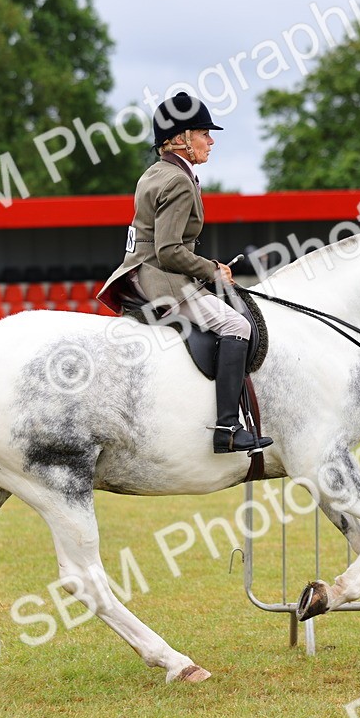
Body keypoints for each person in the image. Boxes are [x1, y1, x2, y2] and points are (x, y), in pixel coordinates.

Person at [97, 92, 272, 455]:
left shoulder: (156, 173)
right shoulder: (177, 181)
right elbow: (169, 250)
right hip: (159, 279)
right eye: (203, 133)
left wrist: (209, 268)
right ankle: (226, 427)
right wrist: (211, 271)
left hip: (139, 272)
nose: (211, 140)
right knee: (237, 325)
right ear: (180, 139)